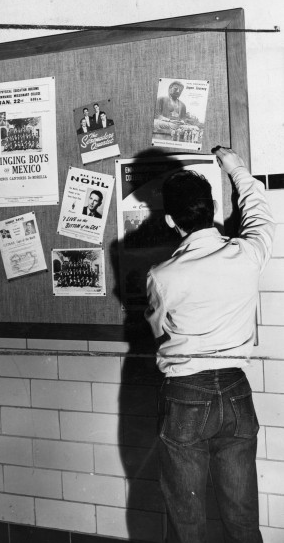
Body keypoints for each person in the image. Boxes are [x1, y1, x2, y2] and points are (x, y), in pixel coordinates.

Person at [144, 147, 275, 543]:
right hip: (236, 391)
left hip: (185, 393)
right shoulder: (247, 254)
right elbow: (260, 213)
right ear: (214, 207)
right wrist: (233, 166)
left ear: (169, 220)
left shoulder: (162, 275)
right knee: (242, 519)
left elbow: (157, 328)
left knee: (188, 525)